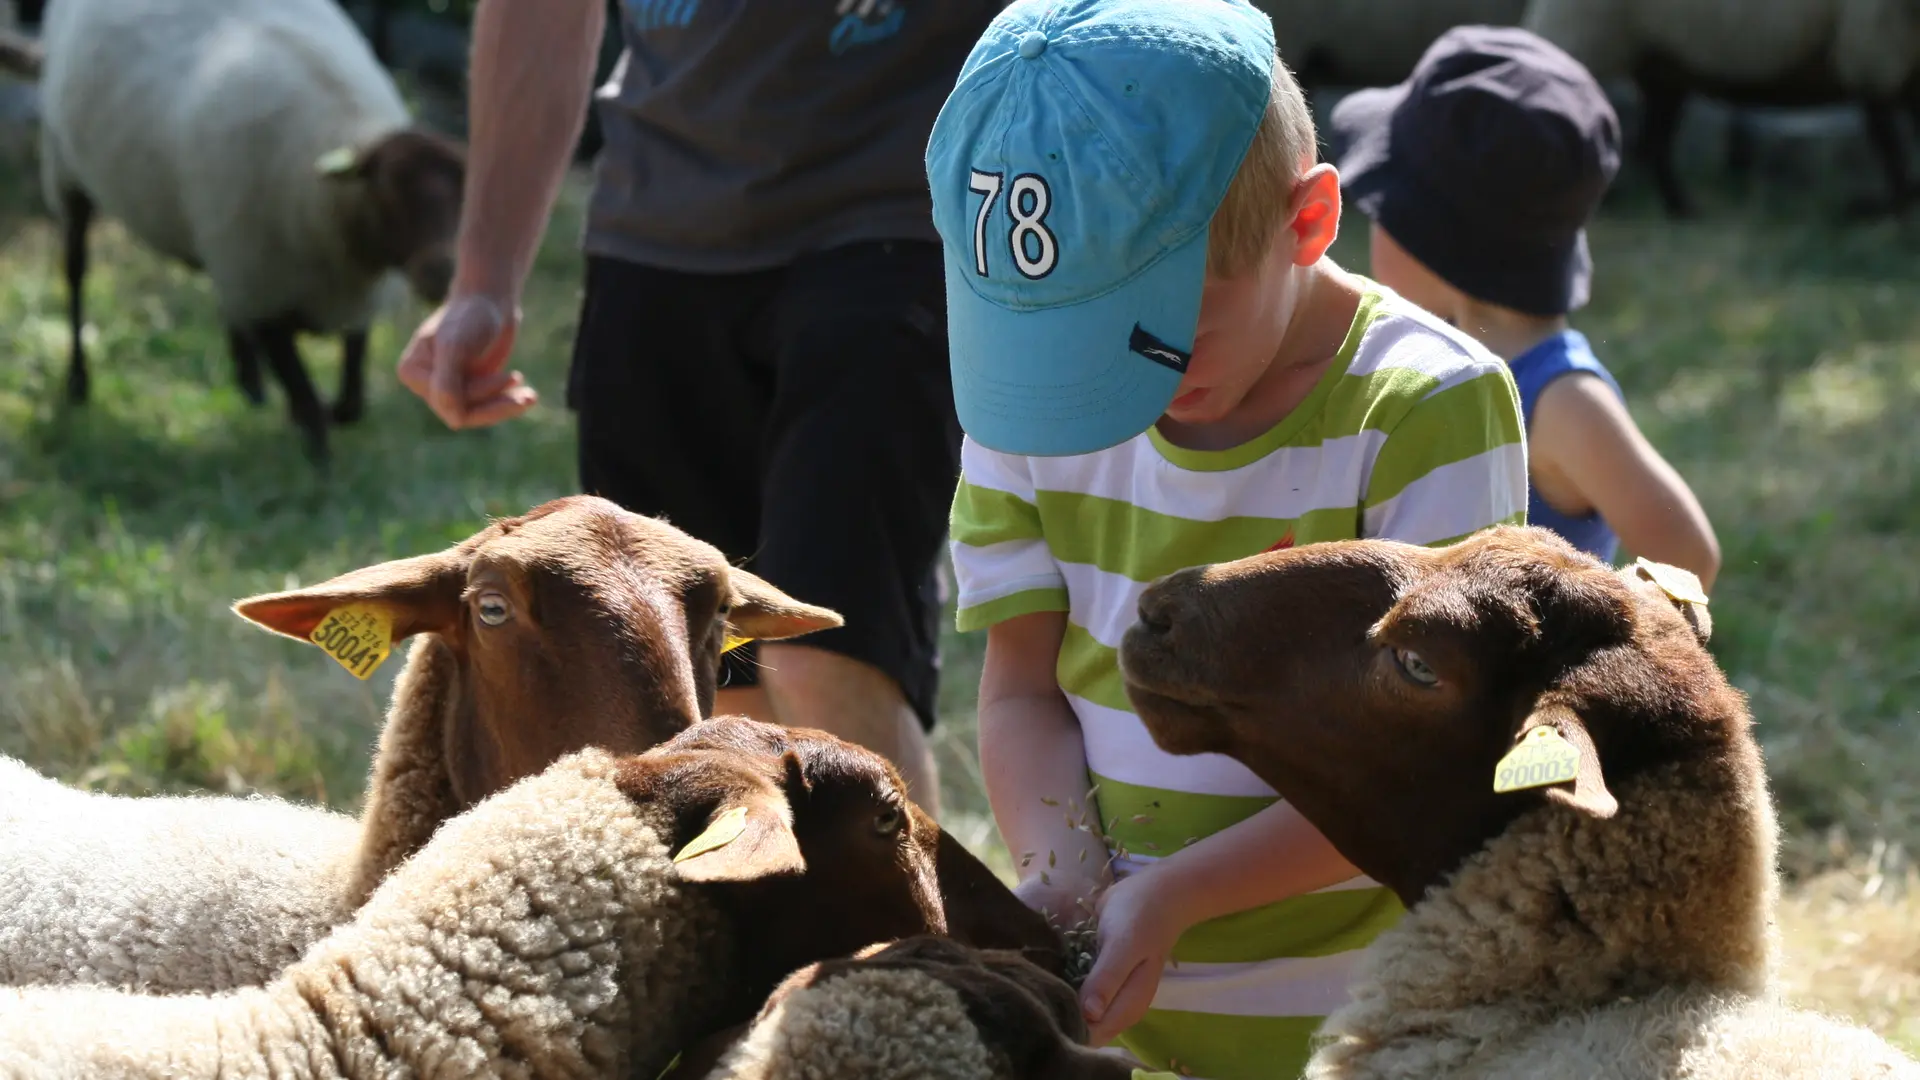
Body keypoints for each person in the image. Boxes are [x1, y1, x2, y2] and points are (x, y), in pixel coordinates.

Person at [931, 1, 1529, 1075]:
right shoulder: (1035, 406)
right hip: (1122, 1027)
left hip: (1362, 1024)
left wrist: (1178, 895)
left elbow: (1432, 759)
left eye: (1157, 339)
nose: (1105, 390)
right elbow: (1021, 685)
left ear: (1307, 224)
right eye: (1056, 342)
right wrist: (1062, 874)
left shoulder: (1423, 411)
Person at [391, 0, 1013, 816]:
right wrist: (484, 274)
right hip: (657, 234)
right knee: (697, 680)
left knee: (827, 651)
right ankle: (748, 943)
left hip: (897, 208)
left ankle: (905, 940)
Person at [1330, 25, 1722, 592]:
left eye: (1379, 204)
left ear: (1435, 239)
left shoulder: (1558, 401)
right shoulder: (1423, 362)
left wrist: (1594, 653)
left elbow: (1688, 553)